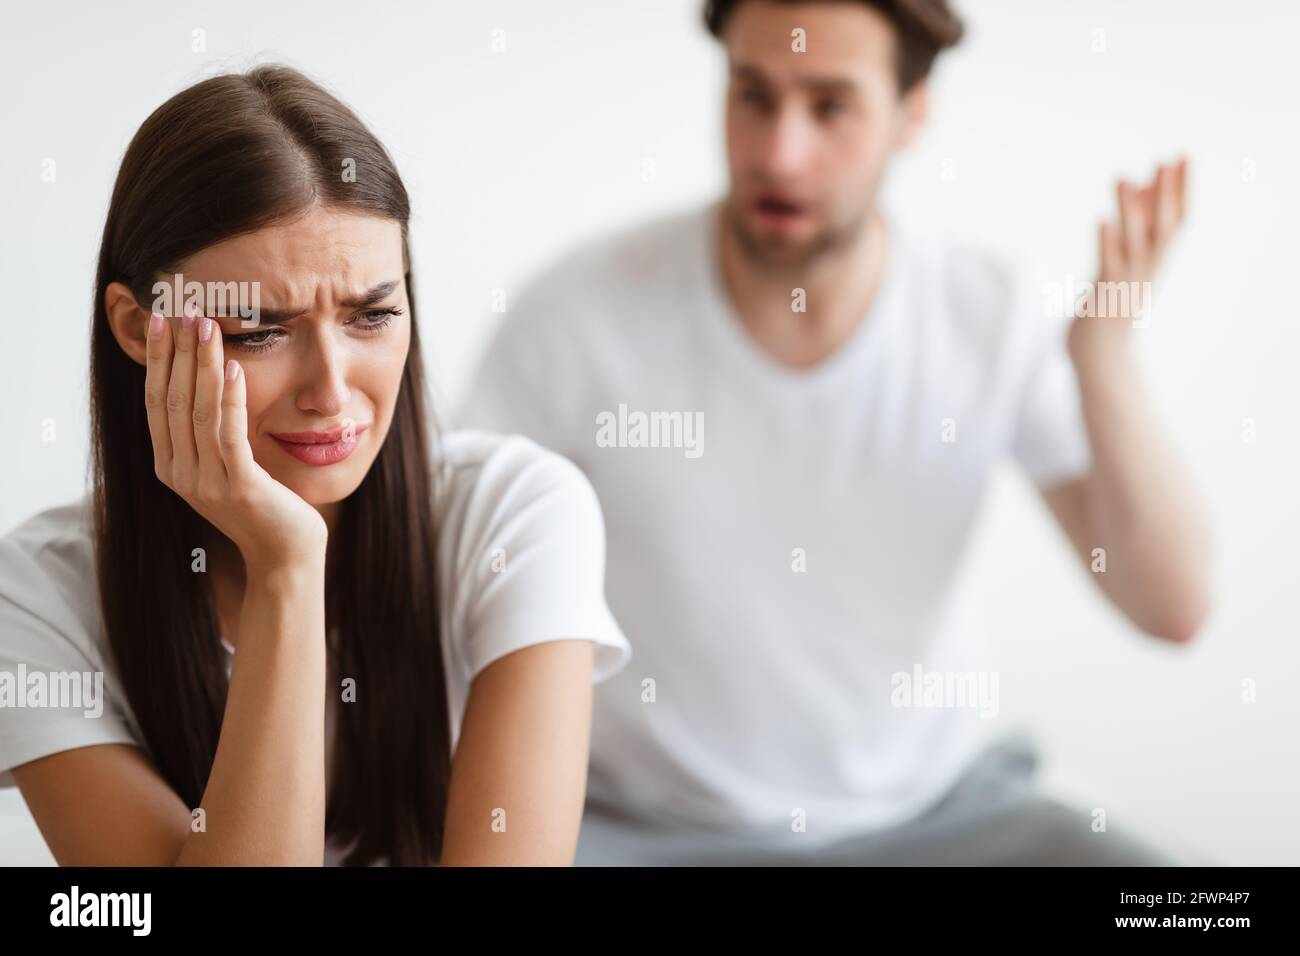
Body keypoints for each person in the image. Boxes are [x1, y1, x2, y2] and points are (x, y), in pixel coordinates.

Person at [459, 0, 1211, 865]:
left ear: (911, 116)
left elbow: (1172, 607)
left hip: (940, 824)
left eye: (831, 107)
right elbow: (444, 588)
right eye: (753, 96)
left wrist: (1103, 362)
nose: (780, 153)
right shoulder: (577, 314)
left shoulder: (989, 307)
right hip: (645, 831)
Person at [0, 65, 630, 866]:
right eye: (260, 330)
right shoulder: (34, 600)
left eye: (373, 315)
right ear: (136, 328)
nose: (332, 392)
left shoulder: (520, 517)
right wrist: (287, 566)